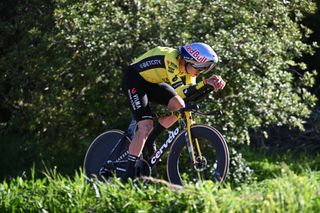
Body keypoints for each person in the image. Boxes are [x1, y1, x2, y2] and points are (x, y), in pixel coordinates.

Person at [121, 42, 225, 181]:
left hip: (152, 82)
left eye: (203, 71)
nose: (199, 73)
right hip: (134, 79)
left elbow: (188, 95)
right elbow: (182, 91)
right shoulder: (171, 58)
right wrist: (205, 83)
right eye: (199, 69)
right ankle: (128, 173)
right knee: (145, 126)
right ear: (189, 61)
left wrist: (210, 86)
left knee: (180, 105)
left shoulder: (189, 71)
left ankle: (151, 139)